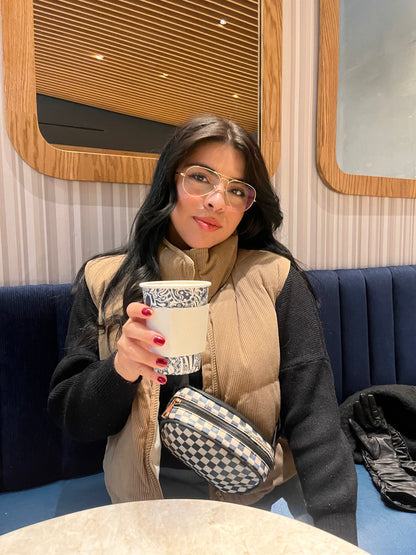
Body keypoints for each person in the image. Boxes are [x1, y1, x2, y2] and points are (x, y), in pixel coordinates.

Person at [48, 115, 358, 545]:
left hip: (254, 508)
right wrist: (120, 368)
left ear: (248, 205)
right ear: (170, 182)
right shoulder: (105, 280)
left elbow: (316, 419)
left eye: (236, 190)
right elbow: (73, 419)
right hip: (143, 511)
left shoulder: (275, 279)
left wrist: (339, 536)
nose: (216, 201)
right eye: (200, 177)